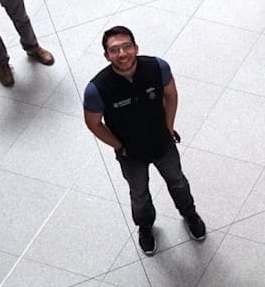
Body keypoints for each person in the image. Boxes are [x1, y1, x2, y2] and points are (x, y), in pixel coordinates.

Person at [83, 26, 206, 256]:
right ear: (107, 55)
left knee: (177, 181)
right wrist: (119, 146)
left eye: (127, 46)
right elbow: (93, 123)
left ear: (136, 48)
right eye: (114, 49)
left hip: (163, 144)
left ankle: (190, 214)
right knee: (139, 193)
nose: (122, 54)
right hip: (131, 154)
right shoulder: (97, 88)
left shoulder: (157, 67)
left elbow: (171, 95)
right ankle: (145, 227)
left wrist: (168, 128)